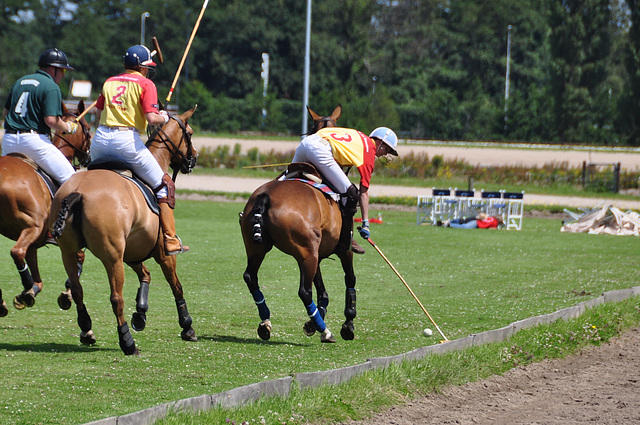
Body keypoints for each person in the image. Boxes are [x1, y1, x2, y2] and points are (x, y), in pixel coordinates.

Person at [91, 44, 188, 255]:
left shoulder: (109, 82)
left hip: (99, 141)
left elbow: (97, 115)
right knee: (165, 185)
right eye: (147, 67)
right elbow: (152, 118)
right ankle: (170, 239)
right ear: (143, 67)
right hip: (126, 142)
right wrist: (166, 116)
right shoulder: (146, 84)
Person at [291, 126, 399, 253]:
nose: (385, 154)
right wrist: (365, 223)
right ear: (379, 142)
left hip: (306, 143)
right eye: (386, 149)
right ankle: (346, 240)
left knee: (287, 179)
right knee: (352, 194)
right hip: (320, 151)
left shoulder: (357, 135)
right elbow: (363, 192)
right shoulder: (369, 150)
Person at [2, 48, 78, 186]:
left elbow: (5, 114)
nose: (63, 75)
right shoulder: (51, 86)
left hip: (8, 141)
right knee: (72, 181)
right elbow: (51, 120)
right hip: (33, 143)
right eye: (63, 70)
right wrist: (68, 127)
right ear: (51, 69)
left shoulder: (19, 82)